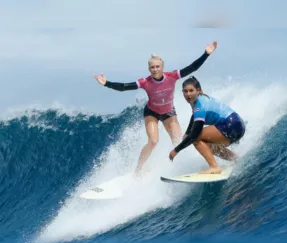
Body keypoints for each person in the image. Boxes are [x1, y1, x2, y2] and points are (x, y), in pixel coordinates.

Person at [93, 41, 218, 175]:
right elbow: (124, 87)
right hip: (151, 112)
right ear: (149, 69)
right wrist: (106, 83)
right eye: (152, 67)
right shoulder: (145, 82)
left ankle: (180, 167)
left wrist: (206, 54)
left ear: (162, 67)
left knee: (179, 142)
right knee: (153, 141)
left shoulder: (172, 76)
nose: (155, 69)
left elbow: (192, 67)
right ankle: (138, 170)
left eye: (158, 66)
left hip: (169, 112)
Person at [169, 76, 246, 174]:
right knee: (208, 145)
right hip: (238, 125)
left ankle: (214, 167)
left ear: (198, 90)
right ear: (182, 92)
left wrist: (176, 150)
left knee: (196, 138)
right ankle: (234, 158)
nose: (188, 94)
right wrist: (187, 132)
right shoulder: (200, 99)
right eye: (185, 91)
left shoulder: (199, 106)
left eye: (191, 91)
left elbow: (194, 134)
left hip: (230, 125)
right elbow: (194, 117)